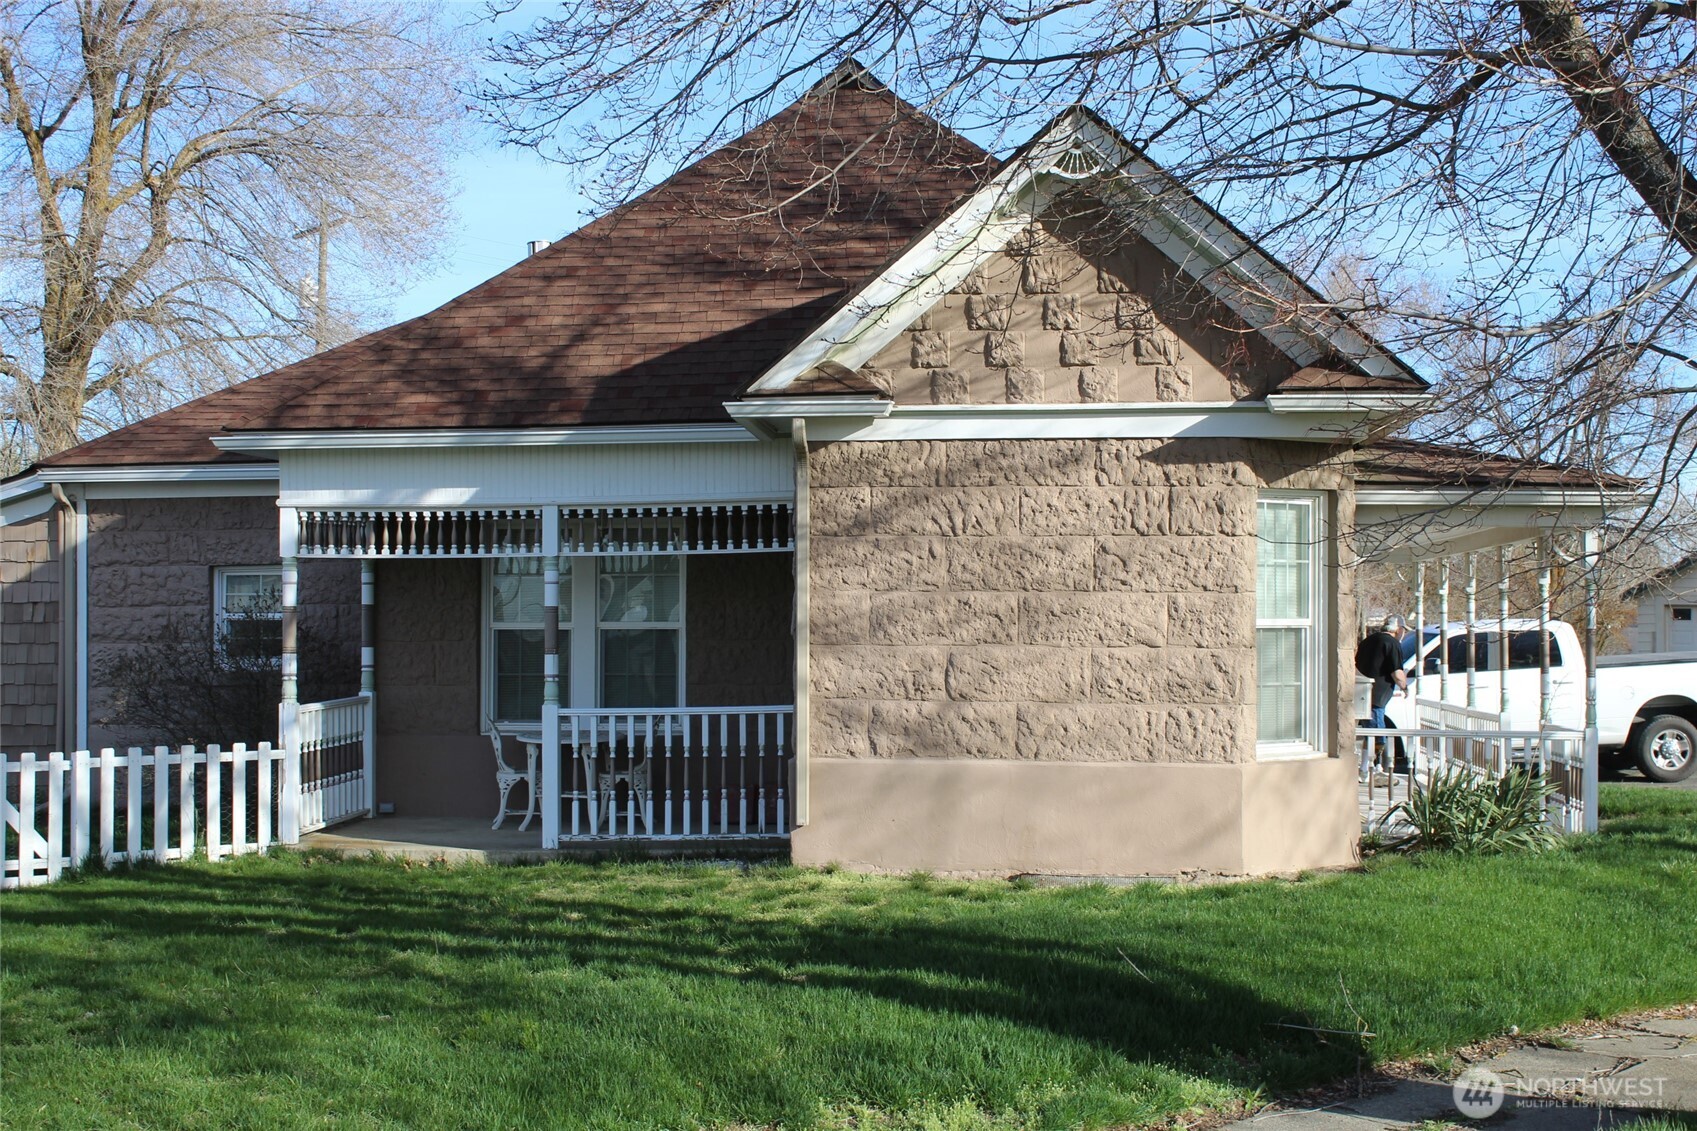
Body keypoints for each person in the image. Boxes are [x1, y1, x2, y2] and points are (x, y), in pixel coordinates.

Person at [1355, 613, 1411, 782]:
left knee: (1369, 733)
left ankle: (1372, 768)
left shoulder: (1369, 641)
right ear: (1398, 629)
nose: (1404, 634)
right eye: (1403, 630)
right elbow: (1397, 672)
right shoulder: (1392, 643)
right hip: (1377, 696)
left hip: (1362, 693)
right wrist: (1405, 687)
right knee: (1377, 734)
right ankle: (1368, 770)